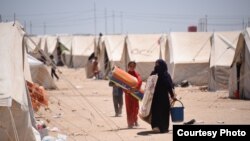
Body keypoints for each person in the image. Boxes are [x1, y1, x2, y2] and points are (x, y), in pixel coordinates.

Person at [150, 59, 177, 133]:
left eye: (158, 65)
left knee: (163, 112)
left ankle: (163, 127)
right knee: (156, 112)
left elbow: (169, 86)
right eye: (156, 64)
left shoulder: (165, 75)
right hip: (155, 97)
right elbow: (149, 85)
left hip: (163, 97)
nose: (156, 66)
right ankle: (156, 126)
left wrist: (172, 96)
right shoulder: (154, 74)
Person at [124, 61, 142, 128]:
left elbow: (140, 81)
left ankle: (135, 120)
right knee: (129, 109)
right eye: (130, 66)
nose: (132, 67)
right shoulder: (125, 74)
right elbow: (123, 84)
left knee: (135, 108)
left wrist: (135, 88)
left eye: (133, 66)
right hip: (128, 95)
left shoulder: (136, 74)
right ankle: (130, 123)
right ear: (128, 67)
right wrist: (126, 91)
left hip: (135, 94)